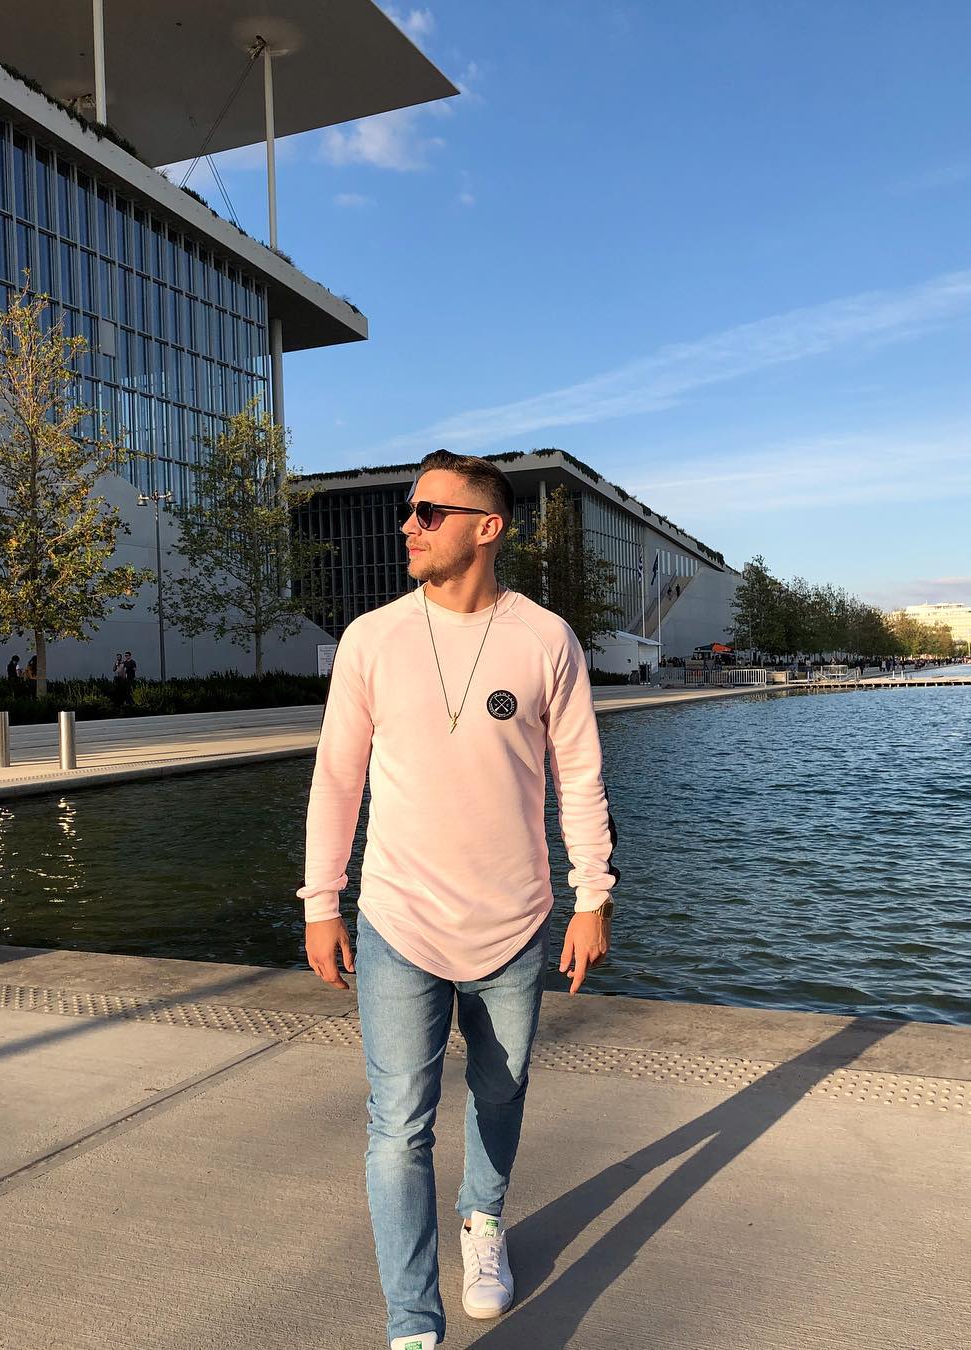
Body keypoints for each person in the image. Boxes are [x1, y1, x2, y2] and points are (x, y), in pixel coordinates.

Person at [299, 449, 617, 1350]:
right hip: (398, 920)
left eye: (428, 513)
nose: (408, 526)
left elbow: (581, 775)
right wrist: (321, 900)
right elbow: (337, 781)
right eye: (410, 511)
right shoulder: (371, 639)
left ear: (487, 527)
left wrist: (592, 895)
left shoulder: (545, 639)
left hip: (514, 922)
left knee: (500, 1092)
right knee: (397, 1127)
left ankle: (483, 1219)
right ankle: (412, 1324)